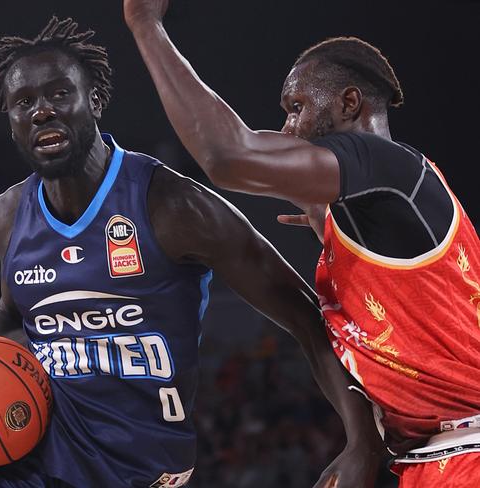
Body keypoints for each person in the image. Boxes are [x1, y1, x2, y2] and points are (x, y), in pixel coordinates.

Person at [0, 16, 384, 488]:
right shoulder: (8, 217)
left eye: (59, 94)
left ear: (94, 102)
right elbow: (14, 311)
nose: (42, 111)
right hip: (44, 449)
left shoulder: (171, 205)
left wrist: (363, 442)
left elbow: (306, 316)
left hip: (139, 464)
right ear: (12, 124)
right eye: (24, 103)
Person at [123, 1, 480, 487]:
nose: (288, 126)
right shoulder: (378, 206)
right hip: (429, 457)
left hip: (466, 450)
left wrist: (145, 24)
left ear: (349, 104)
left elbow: (228, 156)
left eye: (297, 107)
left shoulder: (388, 166)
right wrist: (364, 443)